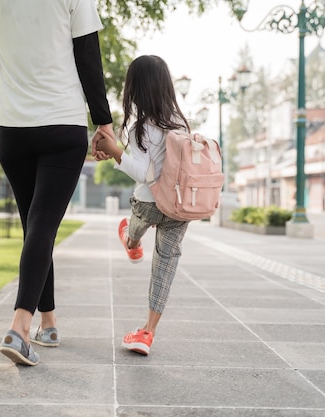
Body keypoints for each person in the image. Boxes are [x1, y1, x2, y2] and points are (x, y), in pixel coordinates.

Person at [0, 0, 115, 366]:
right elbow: (88, 57)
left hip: (11, 128)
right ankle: (19, 326)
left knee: (36, 229)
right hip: (61, 122)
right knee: (42, 226)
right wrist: (103, 122)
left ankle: (49, 322)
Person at [92, 55, 190, 356]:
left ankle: (131, 240)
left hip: (149, 204)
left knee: (136, 217)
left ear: (134, 88)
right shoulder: (180, 124)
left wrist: (115, 152)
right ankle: (147, 333)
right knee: (164, 268)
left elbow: (144, 174)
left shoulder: (141, 127)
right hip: (179, 208)